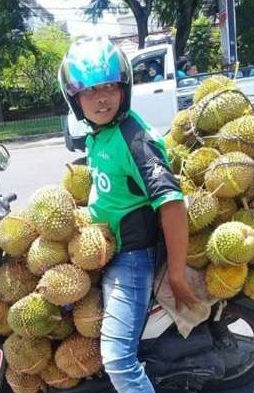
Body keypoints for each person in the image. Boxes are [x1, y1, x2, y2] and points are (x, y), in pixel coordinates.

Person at [58, 36, 200, 393]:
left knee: (118, 359)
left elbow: (171, 203)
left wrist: (178, 276)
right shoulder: (97, 136)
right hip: (104, 247)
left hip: (131, 258)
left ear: (124, 89)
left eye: (109, 87)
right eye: (90, 91)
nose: (101, 97)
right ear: (75, 99)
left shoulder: (135, 139)